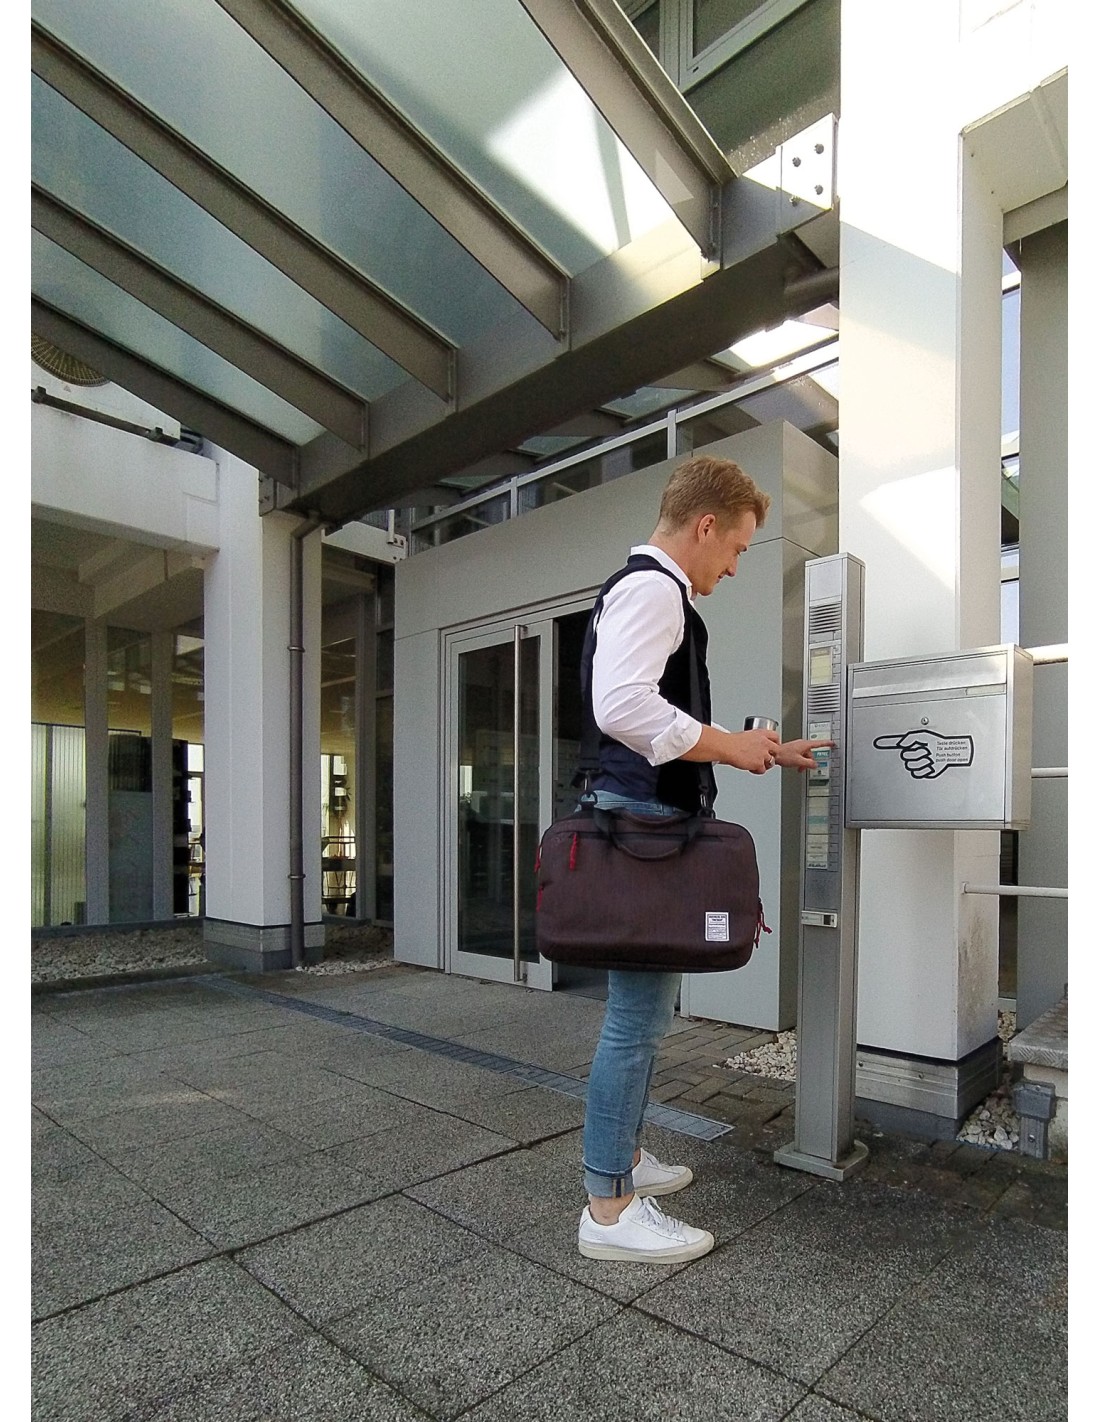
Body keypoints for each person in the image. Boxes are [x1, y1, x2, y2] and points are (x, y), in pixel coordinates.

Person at [575, 454, 830, 1264]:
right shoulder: (654, 590)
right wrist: (727, 746)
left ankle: (622, 1158)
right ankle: (608, 1208)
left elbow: (648, 711)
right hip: (644, 825)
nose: (737, 564)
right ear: (707, 525)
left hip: (645, 820)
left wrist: (759, 749)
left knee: (643, 1018)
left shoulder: (652, 591)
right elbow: (621, 705)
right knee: (634, 1021)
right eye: (739, 547)